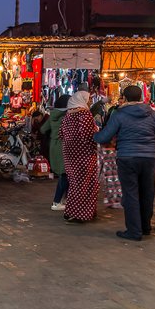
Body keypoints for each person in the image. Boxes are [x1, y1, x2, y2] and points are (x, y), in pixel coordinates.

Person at [94, 85, 155, 240]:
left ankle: (134, 231)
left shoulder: (119, 114)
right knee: (147, 192)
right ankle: (145, 227)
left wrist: (94, 135)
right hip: (149, 159)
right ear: (141, 97)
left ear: (125, 98)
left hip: (127, 158)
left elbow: (104, 137)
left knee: (131, 194)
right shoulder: (153, 115)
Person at [59, 91, 99, 224]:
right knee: (85, 184)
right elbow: (88, 135)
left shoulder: (67, 116)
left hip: (69, 154)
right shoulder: (84, 114)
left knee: (75, 183)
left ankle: (71, 211)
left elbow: (61, 135)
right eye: (88, 100)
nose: (90, 102)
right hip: (84, 154)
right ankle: (79, 214)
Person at [40, 95, 71, 211]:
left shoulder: (52, 115)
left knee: (64, 175)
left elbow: (43, 129)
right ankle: (57, 201)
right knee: (65, 175)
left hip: (53, 146)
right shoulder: (68, 116)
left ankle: (63, 200)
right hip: (63, 146)